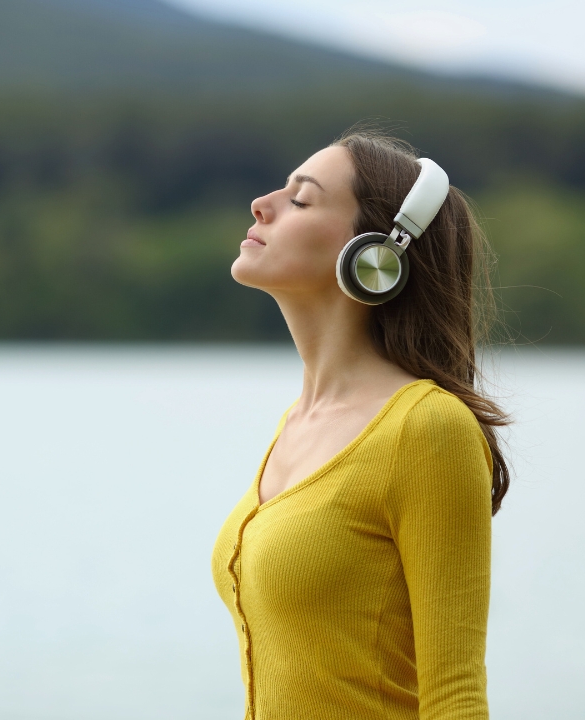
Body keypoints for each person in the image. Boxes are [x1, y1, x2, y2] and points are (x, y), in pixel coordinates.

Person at [211, 131, 511, 720]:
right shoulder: (294, 424)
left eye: (301, 200)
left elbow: (456, 695)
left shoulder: (427, 428)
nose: (262, 204)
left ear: (376, 253)